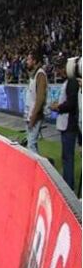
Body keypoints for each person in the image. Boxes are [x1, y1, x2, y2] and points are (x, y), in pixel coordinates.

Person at [51, 56, 80, 196]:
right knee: (66, 156)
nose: (58, 71)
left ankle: (68, 188)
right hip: (66, 124)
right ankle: (67, 184)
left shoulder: (72, 83)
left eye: (59, 68)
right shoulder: (69, 82)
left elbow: (71, 104)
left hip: (69, 125)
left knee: (68, 157)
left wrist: (58, 107)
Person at [25, 49, 49, 154]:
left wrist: (33, 117)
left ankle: (35, 169)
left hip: (35, 116)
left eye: (28, 59)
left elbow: (40, 99)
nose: (27, 61)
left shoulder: (40, 75)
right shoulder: (34, 74)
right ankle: (39, 166)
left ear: (34, 61)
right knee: (32, 143)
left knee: (31, 144)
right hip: (30, 114)